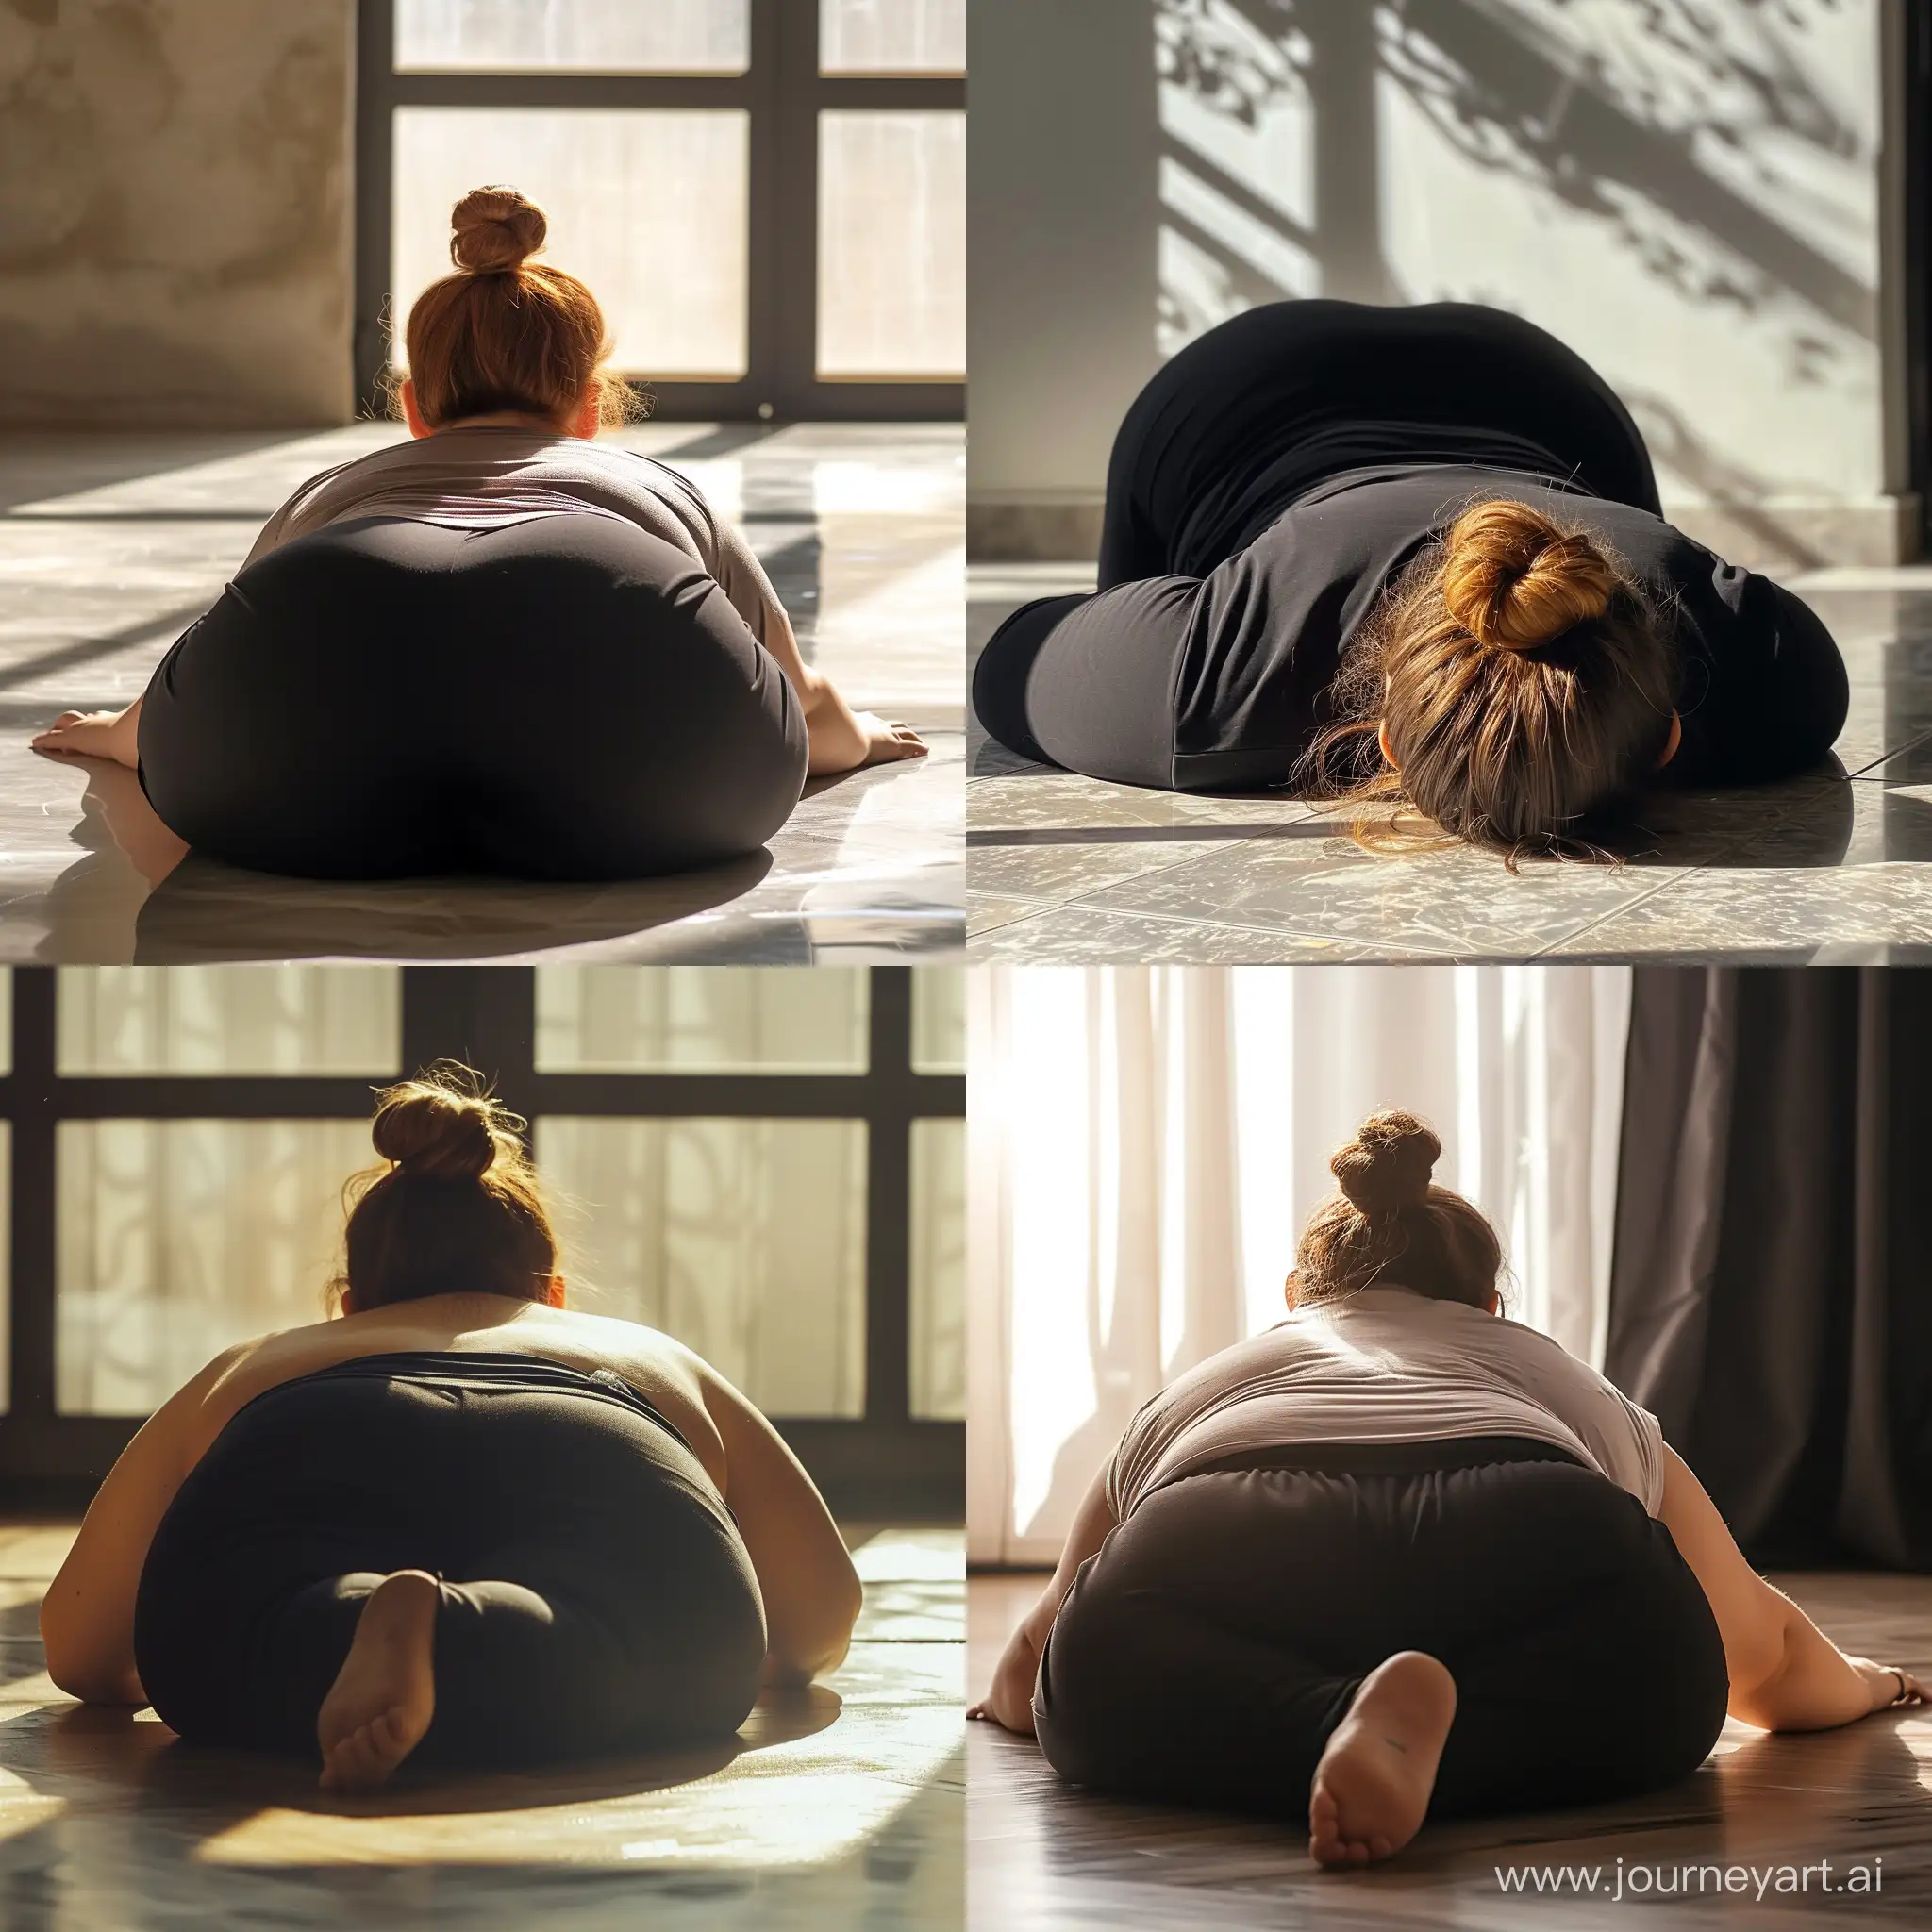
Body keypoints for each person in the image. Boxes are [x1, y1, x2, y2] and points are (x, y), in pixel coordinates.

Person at [969, 1108, 1924, 1867]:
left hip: (1228, 1515)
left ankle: (1326, 1720)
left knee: (1089, 1693)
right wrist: (1870, 1682)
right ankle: (1432, 1725)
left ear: (1296, 1297)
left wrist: (1024, 1696)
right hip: (1529, 1505)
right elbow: (1763, 1657)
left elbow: (1030, 1658)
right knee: (1658, 1682)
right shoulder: (1549, 1373)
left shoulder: (1208, 1382)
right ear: (1489, 1308)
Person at [33, 185, 924, 880]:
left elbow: (229, 651)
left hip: (294, 791)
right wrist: (867, 738)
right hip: (643, 787)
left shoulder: (337, 489)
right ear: (589, 410)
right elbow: (803, 705)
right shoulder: (654, 487)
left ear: (414, 409)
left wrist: (118, 733)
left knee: (315, 592)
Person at [40, 1067, 862, 1791]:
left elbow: (84, 1653)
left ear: (349, 1303)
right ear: (554, 1298)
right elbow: (819, 1616)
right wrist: (683, 1645)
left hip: (305, 1425)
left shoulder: (262, 1360)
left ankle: (344, 1618)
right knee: (631, 1649)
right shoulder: (644, 1352)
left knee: (249, 1639)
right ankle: (493, 1624)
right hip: (590, 1426)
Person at [972, 301, 1848, 862]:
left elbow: (1014, 657)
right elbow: (1020, 659)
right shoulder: (1752, 679)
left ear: (1379, 742)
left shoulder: (1758, 682)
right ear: (1669, 739)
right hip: (1261, 396)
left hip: (1510, 381)